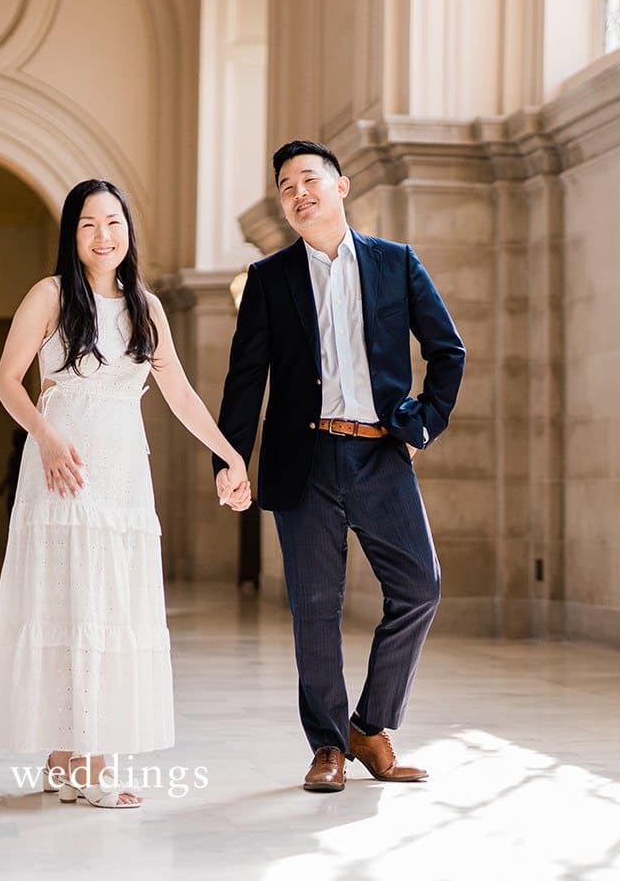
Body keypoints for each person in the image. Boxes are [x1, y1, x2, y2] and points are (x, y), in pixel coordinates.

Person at [0, 179, 250, 809]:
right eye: (90, 225)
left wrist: (229, 452)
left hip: (124, 471)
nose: (105, 236)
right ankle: (87, 761)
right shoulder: (49, 295)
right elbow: (6, 380)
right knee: (67, 602)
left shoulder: (147, 307)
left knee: (109, 605)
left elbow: (179, 394)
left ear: (129, 232)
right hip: (62, 469)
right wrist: (42, 436)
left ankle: (72, 753)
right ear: (72, 236)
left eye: (114, 223)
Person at [214, 139, 464, 793]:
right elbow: (246, 381)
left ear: (341, 186)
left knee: (420, 586)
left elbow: (448, 350)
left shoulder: (394, 263)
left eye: (309, 180)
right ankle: (326, 745)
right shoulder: (269, 279)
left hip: (381, 451)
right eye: (286, 186)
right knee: (314, 608)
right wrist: (229, 459)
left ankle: (370, 725)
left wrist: (421, 426)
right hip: (305, 457)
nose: (298, 193)